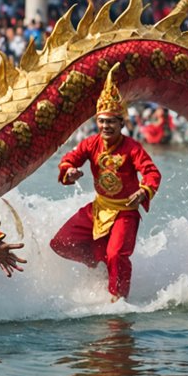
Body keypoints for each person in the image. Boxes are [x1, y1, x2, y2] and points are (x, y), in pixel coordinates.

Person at [49, 63, 161, 302]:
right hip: (99, 208)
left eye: (111, 122)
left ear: (121, 123)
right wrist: (69, 171)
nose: (105, 126)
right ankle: (98, 262)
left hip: (125, 212)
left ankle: (118, 300)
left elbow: (152, 173)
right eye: (102, 121)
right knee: (60, 243)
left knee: (116, 255)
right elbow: (69, 159)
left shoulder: (132, 148)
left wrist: (144, 190)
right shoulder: (91, 143)